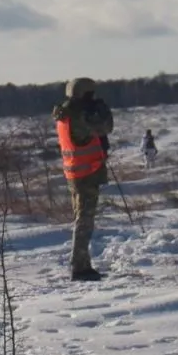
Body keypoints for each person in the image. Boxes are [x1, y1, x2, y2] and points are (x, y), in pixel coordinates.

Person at [51, 77, 113, 282]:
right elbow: (105, 127)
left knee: (82, 219)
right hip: (86, 173)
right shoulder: (79, 114)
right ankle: (79, 267)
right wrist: (102, 110)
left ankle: (83, 264)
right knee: (84, 221)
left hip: (75, 172)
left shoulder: (64, 113)